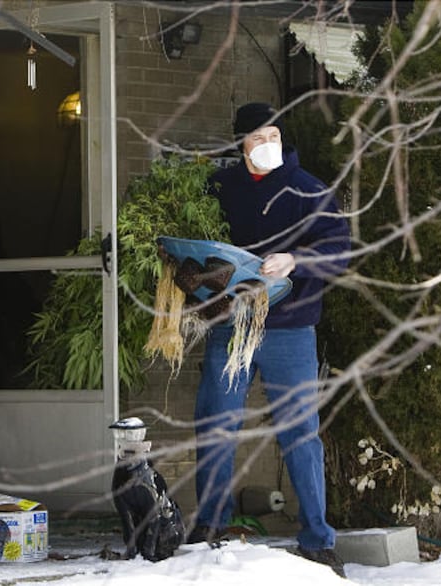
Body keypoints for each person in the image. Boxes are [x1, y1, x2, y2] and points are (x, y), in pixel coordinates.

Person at [187, 102, 351, 577]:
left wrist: (296, 261)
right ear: (240, 144)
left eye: (273, 136)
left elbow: (339, 249)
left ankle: (318, 539)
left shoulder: (309, 189)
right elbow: (197, 248)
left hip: (291, 328)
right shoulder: (219, 189)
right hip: (231, 326)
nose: (266, 146)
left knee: (301, 435)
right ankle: (211, 528)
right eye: (257, 138)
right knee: (216, 425)